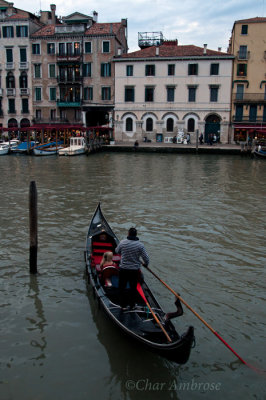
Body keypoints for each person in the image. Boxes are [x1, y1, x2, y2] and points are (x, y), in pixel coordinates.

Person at [115, 227, 149, 310]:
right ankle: (132, 305)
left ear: (128, 234)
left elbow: (117, 251)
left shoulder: (122, 243)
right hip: (134, 271)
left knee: (122, 287)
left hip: (123, 269)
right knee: (133, 288)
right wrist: (145, 264)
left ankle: (123, 305)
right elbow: (146, 258)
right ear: (136, 235)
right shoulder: (140, 245)